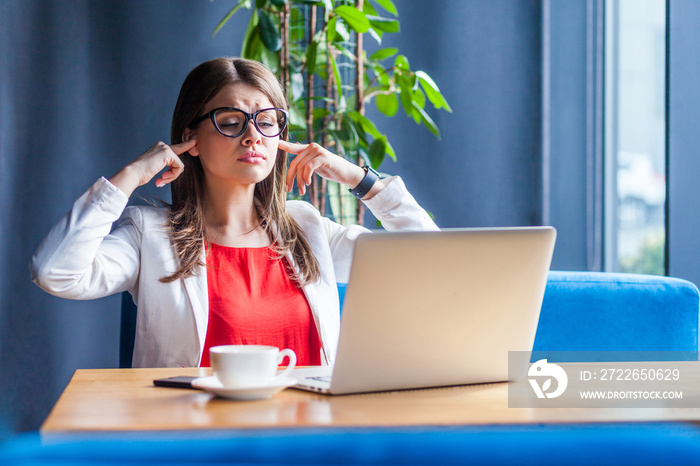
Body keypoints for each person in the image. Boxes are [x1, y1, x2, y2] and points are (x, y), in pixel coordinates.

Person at [30, 57, 438, 368]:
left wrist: (359, 179)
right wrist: (132, 174)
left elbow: (430, 261)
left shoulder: (309, 229)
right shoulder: (148, 233)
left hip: (310, 441)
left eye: (266, 122)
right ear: (191, 138)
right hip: (195, 443)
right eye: (230, 122)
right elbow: (55, 272)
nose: (252, 137)